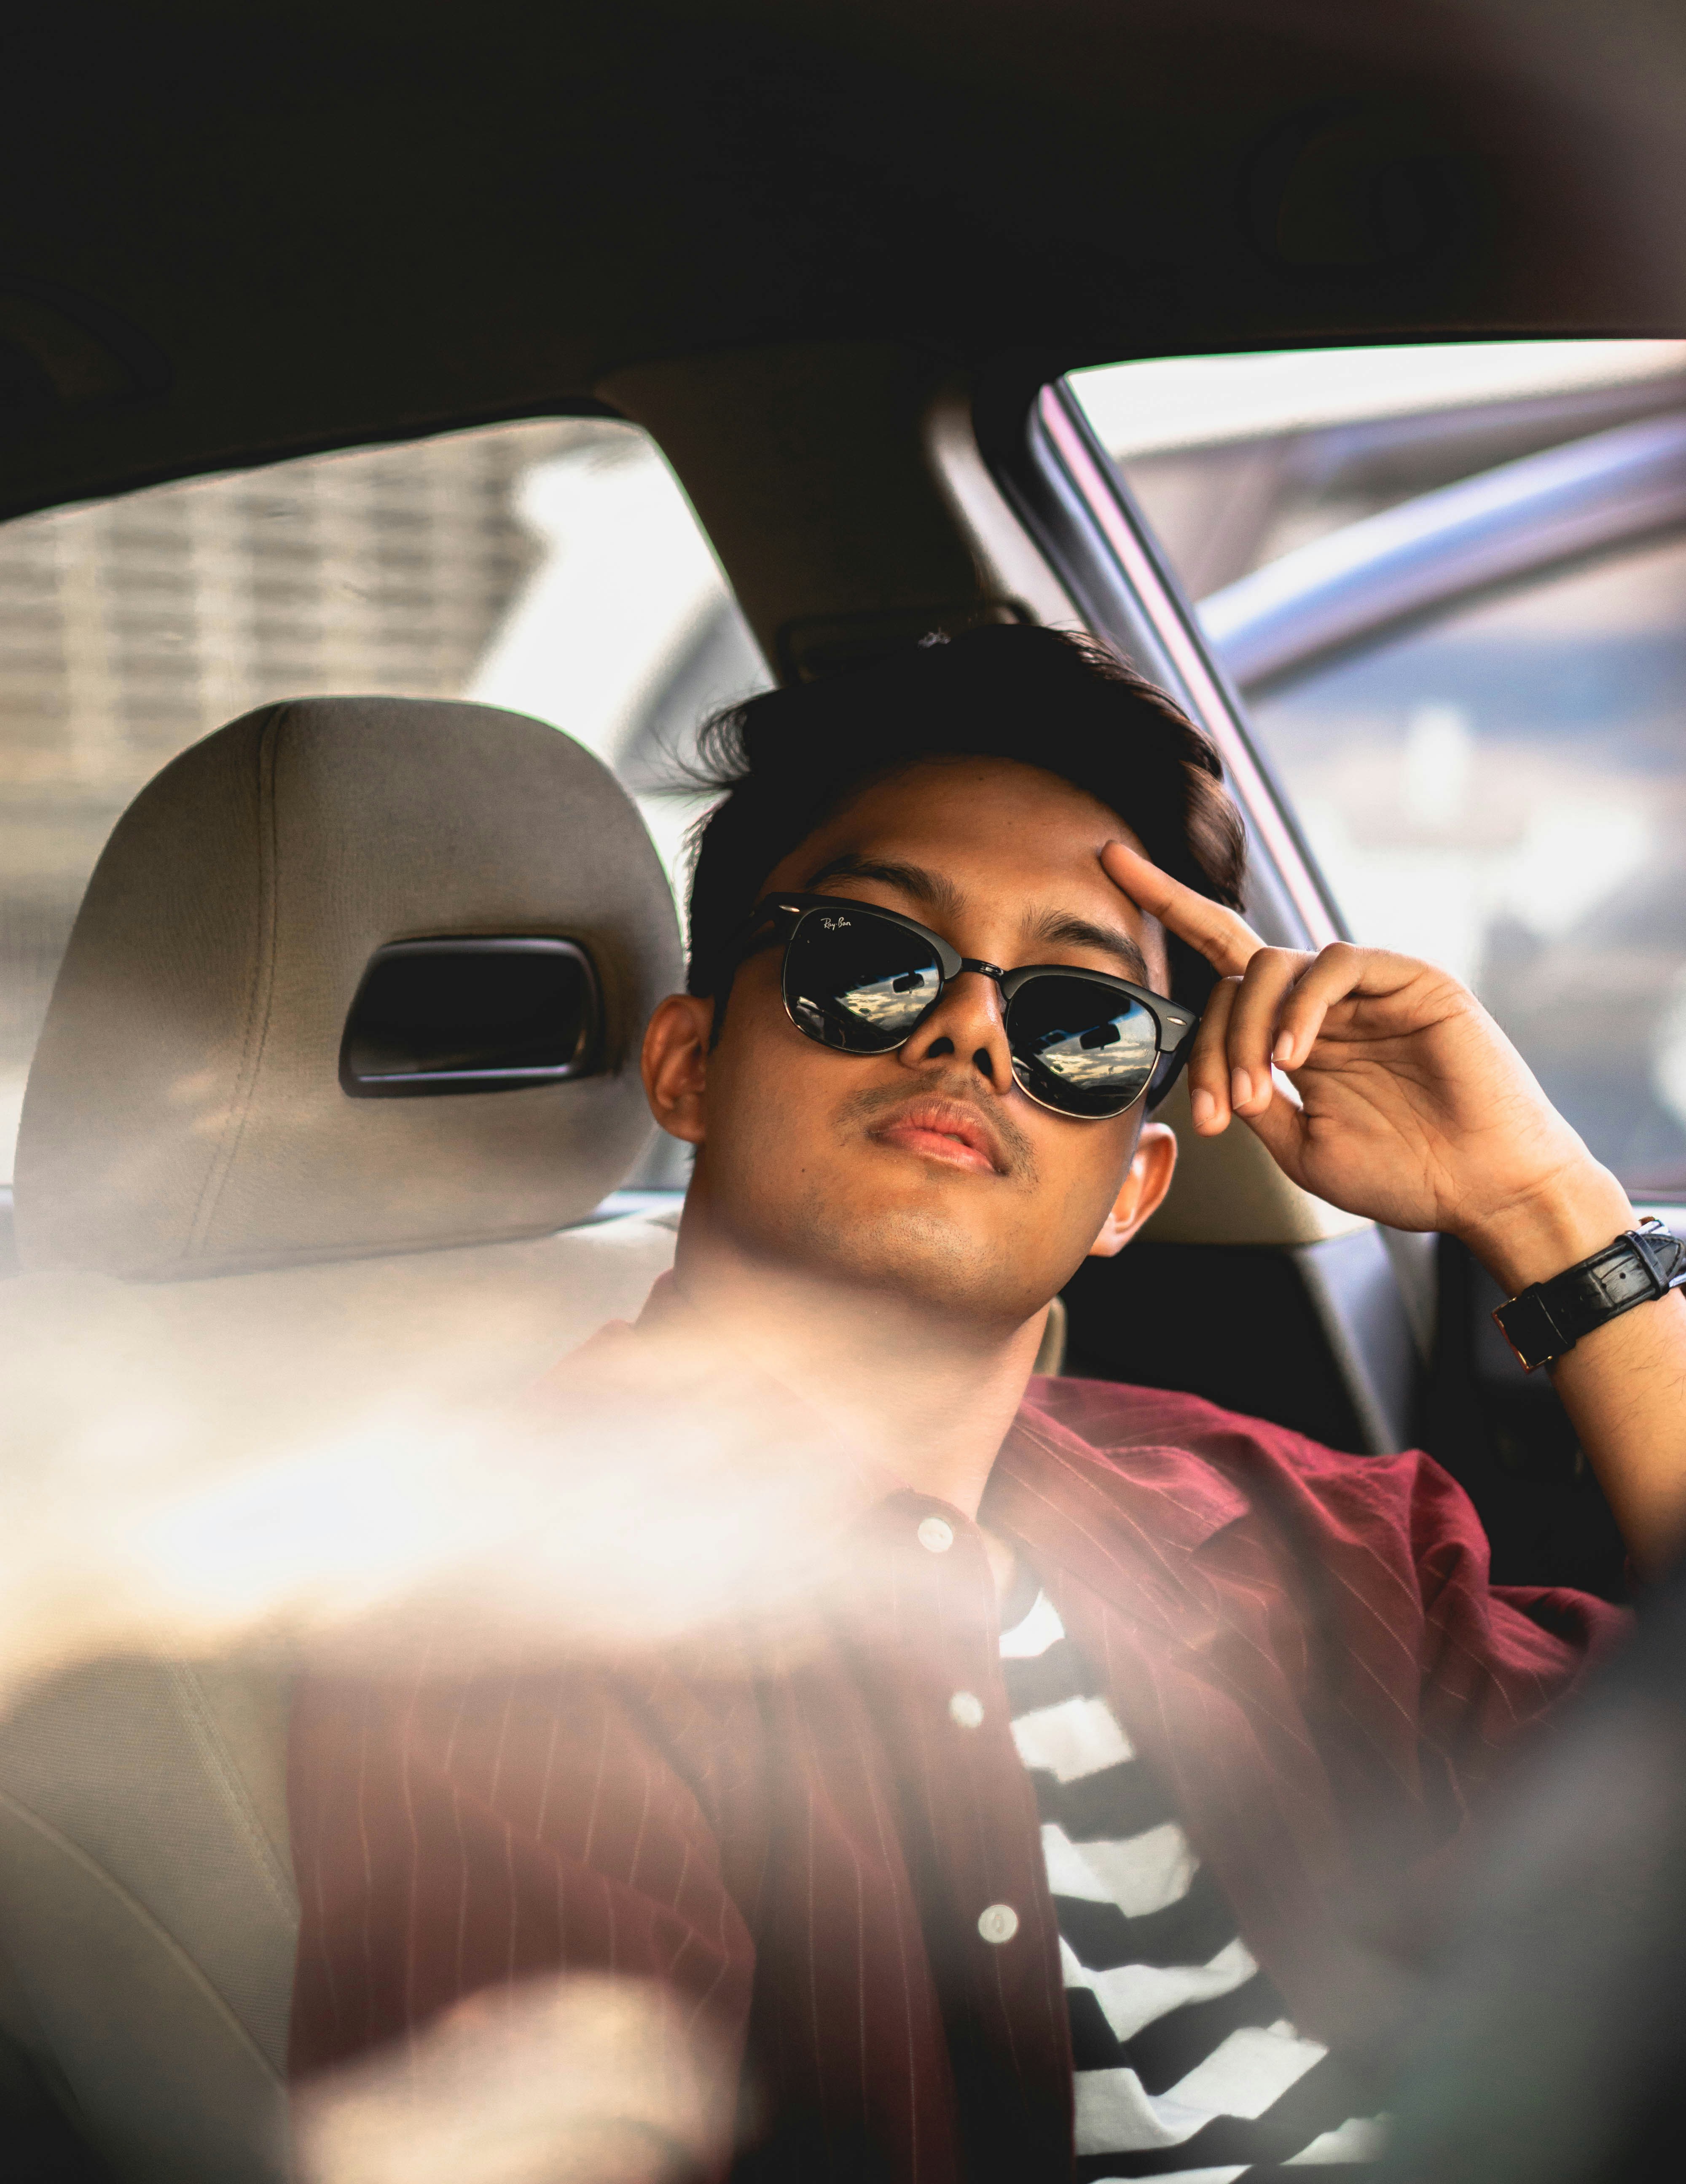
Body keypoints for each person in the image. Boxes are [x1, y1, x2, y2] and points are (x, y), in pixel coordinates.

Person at [287, 625, 1685, 2184]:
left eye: (1078, 1022)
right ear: (688, 1067)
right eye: (868, 963)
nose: (964, 1033)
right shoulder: (524, 1610)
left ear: (1133, 1193)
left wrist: (1550, 1208)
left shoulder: (1289, 1522)